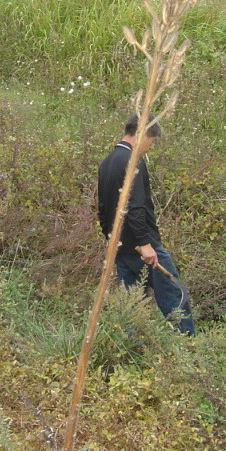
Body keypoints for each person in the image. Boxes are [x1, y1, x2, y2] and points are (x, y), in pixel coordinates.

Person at [97, 114, 195, 335]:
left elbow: (102, 208)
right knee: (174, 296)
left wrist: (111, 239)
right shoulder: (132, 161)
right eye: (152, 141)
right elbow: (136, 206)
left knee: (131, 304)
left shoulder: (107, 161)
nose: (150, 147)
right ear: (142, 134)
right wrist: (145, 243)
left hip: (120, 247)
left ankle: (127, 348)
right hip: (143, 247)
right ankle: (189, 346)